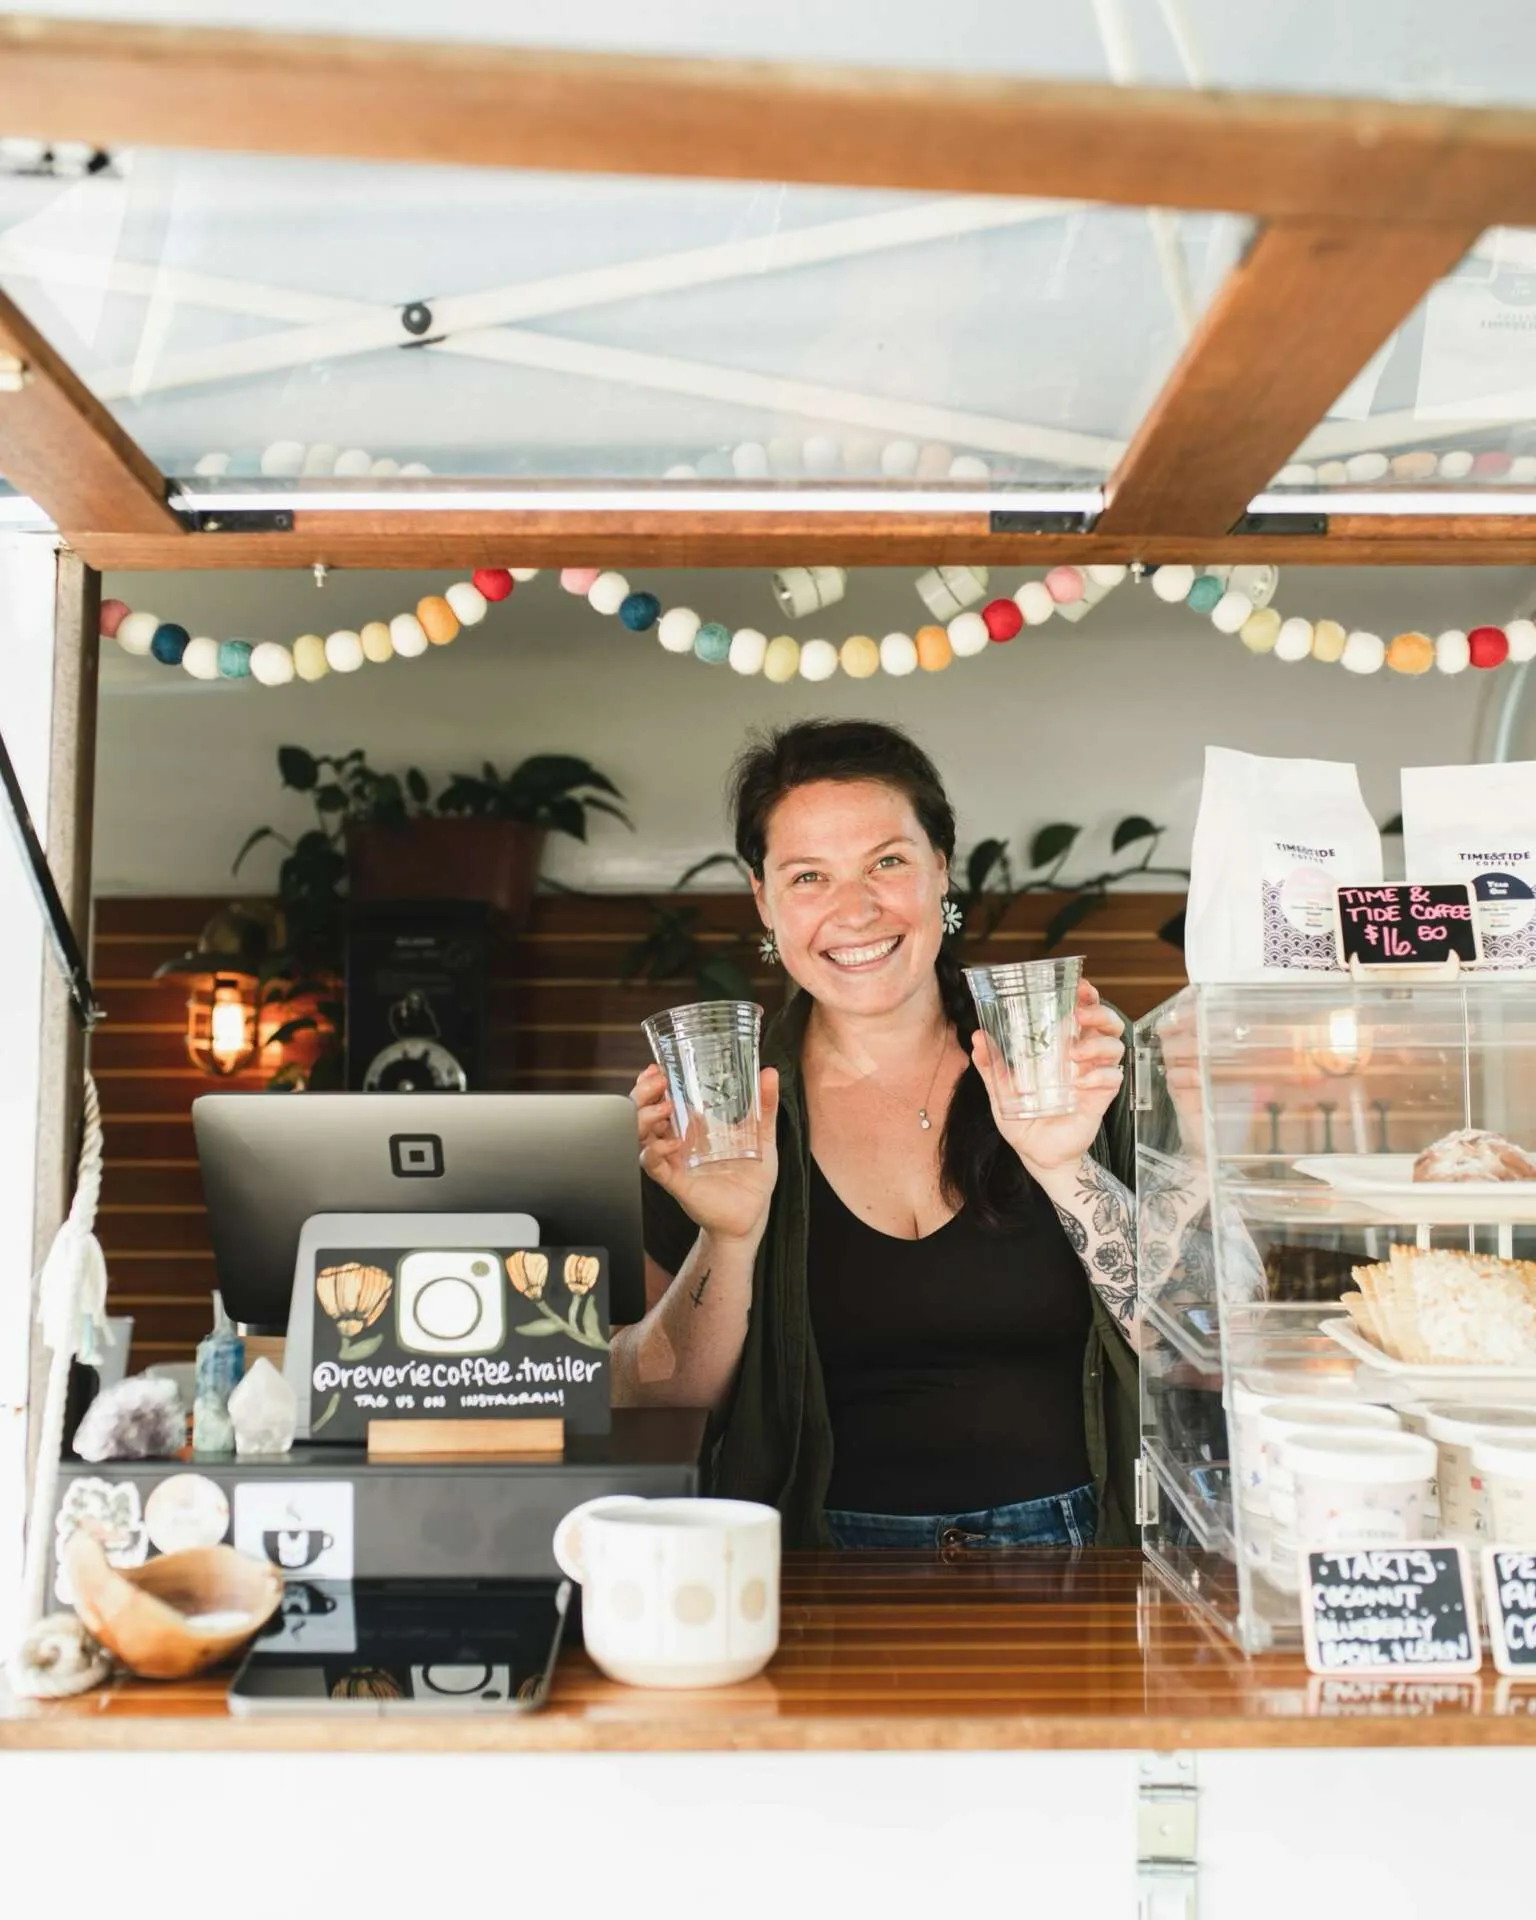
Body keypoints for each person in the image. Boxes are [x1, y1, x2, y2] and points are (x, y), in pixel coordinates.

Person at [612, 719, 1137, 1550]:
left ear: (941, 869)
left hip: (1083, 1556)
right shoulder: (708, 1114)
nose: (855, 911)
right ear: (765, 901)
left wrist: (1070, 1169)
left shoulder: (1078, 1061)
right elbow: (656, 1405)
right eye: (809, 876)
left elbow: (1199, 1342)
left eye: (887, 863)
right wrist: (729, 1233)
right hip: (813, 1570)